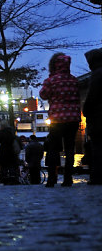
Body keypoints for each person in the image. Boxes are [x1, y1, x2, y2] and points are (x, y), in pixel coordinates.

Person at [40, 52, 81, 187]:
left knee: (53, 148)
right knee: (70, 148)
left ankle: (52, 179)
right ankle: (68, 178)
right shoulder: (74, 80)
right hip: (73, 118)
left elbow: (43, 94)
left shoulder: (52, 81)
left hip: (57, 118)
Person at [83, 48, 102, 185]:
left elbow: (91, 97)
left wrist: (86, 110)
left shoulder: (96, 75)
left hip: (98, 119)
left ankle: (97, 177)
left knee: (97, 148)